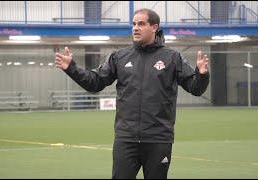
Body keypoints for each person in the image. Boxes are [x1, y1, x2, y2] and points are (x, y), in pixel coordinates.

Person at [55, 8, 209, 179]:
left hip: (158, 139)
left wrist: (202, 75)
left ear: (154, 27)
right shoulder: (120, 57)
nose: (135, 28)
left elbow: (196, 88)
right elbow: (95, 82)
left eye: (141, 24)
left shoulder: (172, 57)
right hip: (126, 139)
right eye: (134, 24)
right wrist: (71, 69)